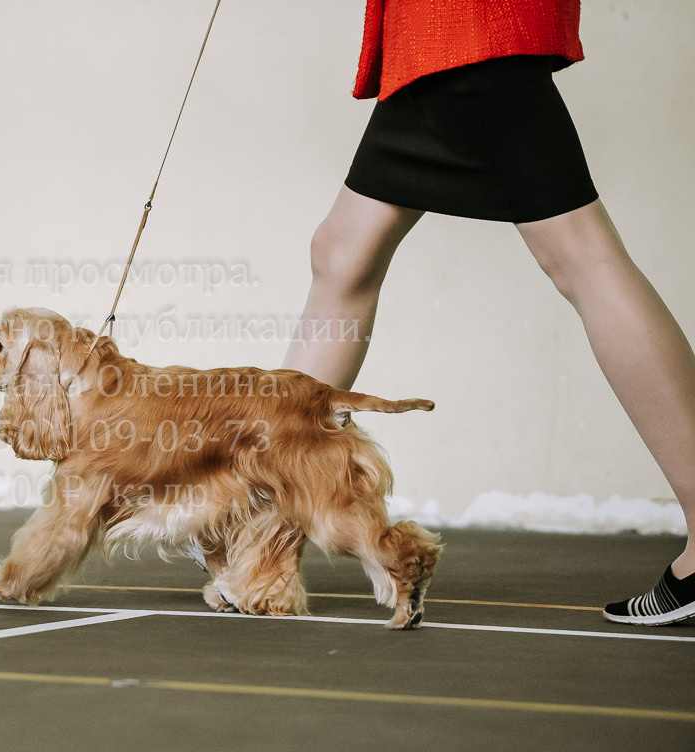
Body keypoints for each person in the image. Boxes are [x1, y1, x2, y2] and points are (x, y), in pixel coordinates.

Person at [281, 0, 695, 625]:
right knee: (342, 254)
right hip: (450, 31)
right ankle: (263, 521)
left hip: (464, 27)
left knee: (584, 259)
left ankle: (260, 522)